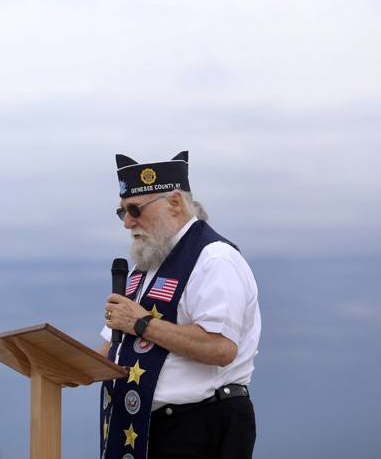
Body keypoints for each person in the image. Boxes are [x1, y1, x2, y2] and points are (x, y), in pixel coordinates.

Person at [97, 151, 260, 459]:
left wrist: (142, 324)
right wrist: (48, 363)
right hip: (141, 428)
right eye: (121, 213)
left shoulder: (214, 259)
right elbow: (110, 350)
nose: (127, 222)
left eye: (134, 209)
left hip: (201, 424)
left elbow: (222, 348)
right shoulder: (145, 267)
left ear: (174, 203)